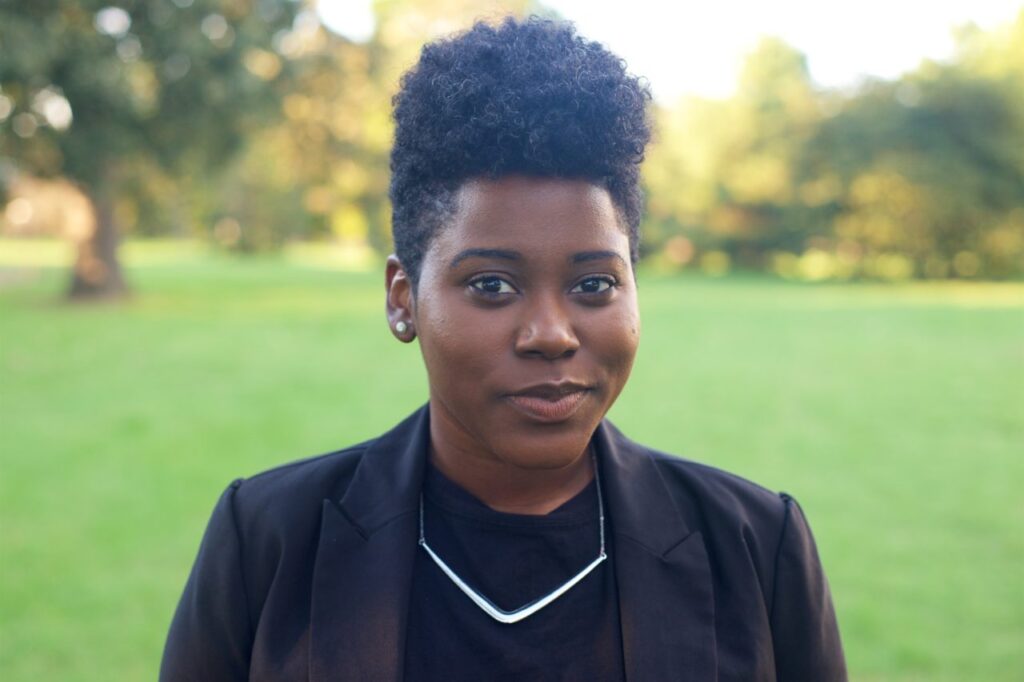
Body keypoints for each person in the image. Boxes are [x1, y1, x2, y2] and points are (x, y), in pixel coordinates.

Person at [160, 16, 846, 681]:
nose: (551, 333)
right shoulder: (269, 542)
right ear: (404, 298)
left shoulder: (757, 546)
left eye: (594, 283)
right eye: (492, 284)